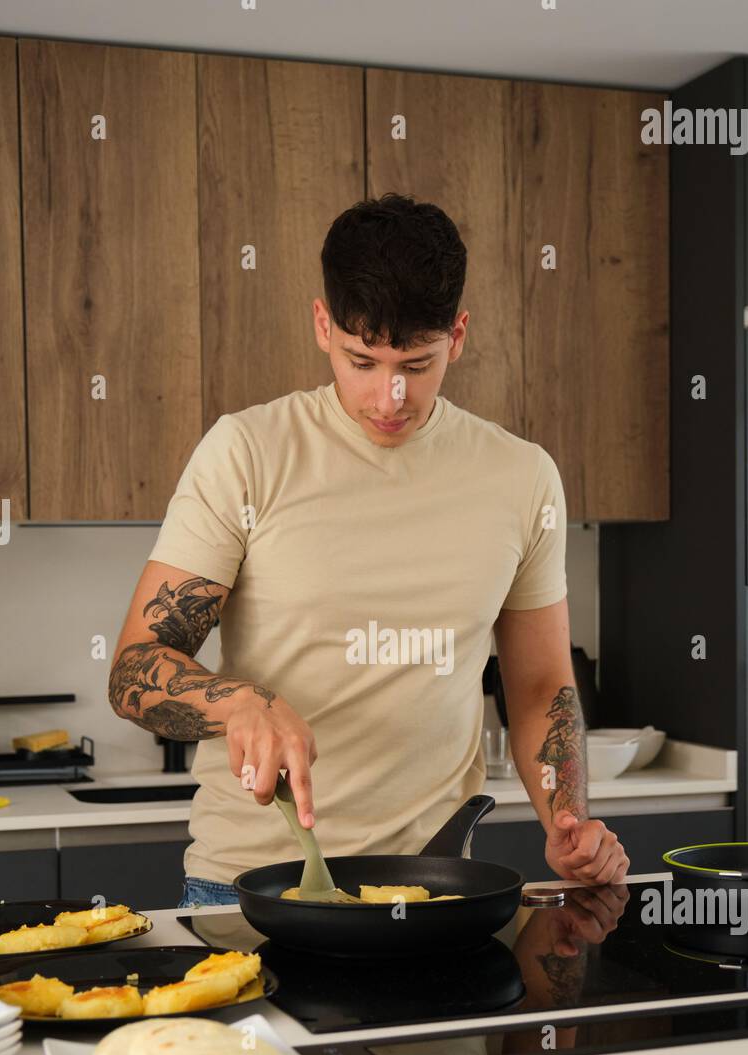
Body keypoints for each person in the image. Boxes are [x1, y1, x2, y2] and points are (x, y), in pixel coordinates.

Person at [109, 194, 629, 907]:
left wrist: (566, 817)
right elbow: (135, 668)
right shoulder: (247, 454)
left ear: (459, 334)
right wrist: (241, 704)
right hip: (251, 889)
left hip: (435, 889)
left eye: (418, 363)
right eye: (362, 360)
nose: (390, 396)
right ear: (323, 326)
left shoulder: (521, 476)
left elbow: (540, 682)